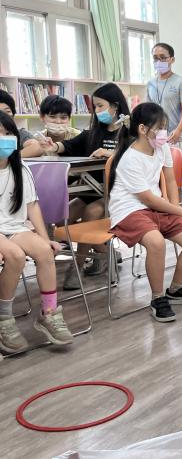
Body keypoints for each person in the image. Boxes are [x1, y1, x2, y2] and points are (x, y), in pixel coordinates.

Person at [108, 103, 182, 322]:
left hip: (156, 208)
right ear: (143, 129)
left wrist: (176, 209)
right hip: (129, 210)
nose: (164, 132)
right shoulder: (129, 158)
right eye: (160, 127)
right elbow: (147, 198)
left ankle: (176, 289)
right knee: (156, 242)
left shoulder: (162, 148)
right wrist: (178, 211)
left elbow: (170, 180)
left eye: (165, 127)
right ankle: (158, 298)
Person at [42, 83, 130, 289]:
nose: (97, 111)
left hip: (116, 193)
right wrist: (53, 146)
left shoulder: (129, 132)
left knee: (91, 213)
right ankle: (105, 253)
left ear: (115, 106)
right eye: (95, 107)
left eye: (100, 106)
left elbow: (135, 156)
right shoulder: (93, 133)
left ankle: (77, 267)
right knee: (62, 219)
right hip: (91, 191)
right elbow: (68, 146)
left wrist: (112, 153)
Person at [0, 112, 74, 354]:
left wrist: (45, 238)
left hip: (15, 227)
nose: (4, 139)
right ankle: (4, 319)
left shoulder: (20, 169)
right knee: (15, 256)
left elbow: (32, 206)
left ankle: (49, 313)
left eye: (8, 133)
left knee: (44, 251)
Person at [146, 43, 182, 150]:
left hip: (173, 136)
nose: (159, 61)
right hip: (154, 136)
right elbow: (147, 110)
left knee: (173, 161)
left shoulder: (181, 82)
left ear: (172, 59)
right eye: (155, 58)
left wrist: (179, 130)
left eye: (163, 57)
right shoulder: (150, 84)